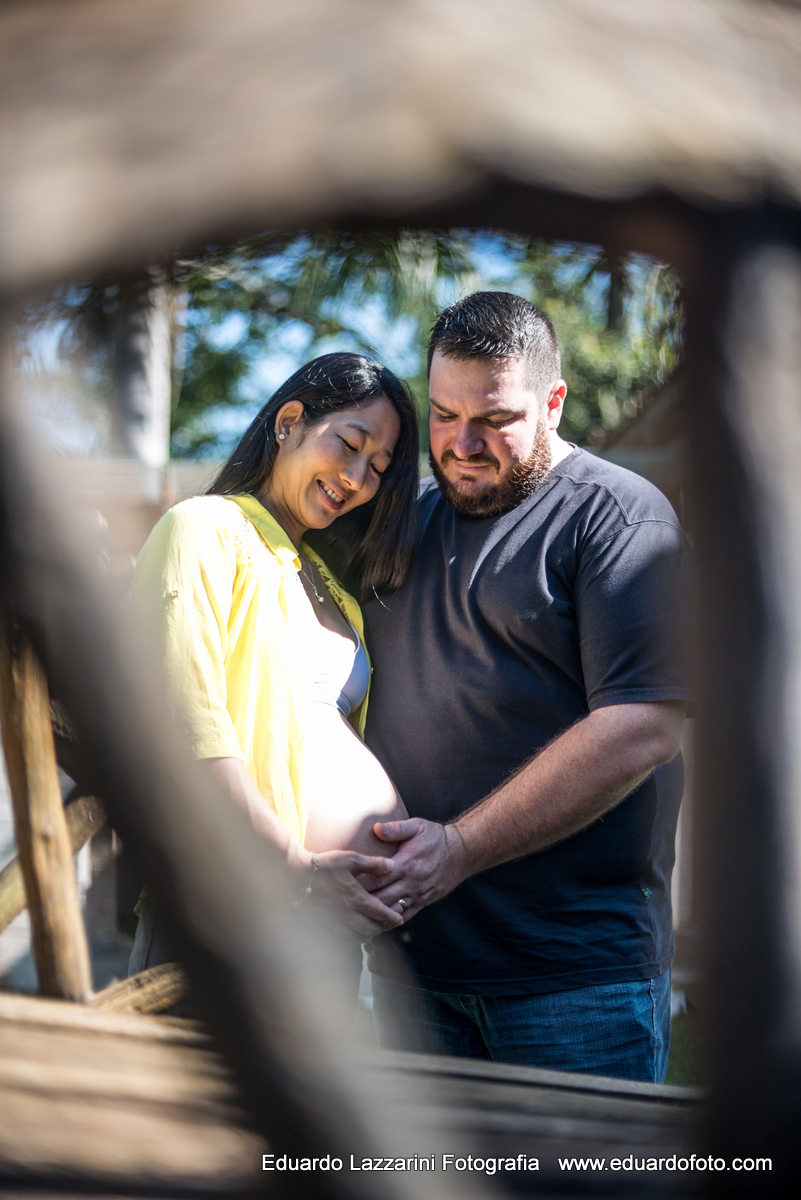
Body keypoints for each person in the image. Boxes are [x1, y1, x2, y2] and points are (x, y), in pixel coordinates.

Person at [361, 292, 691, 1083]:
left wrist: (459, 848)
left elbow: (643, 726)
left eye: (494, 419)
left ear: (552, 403)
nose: (462, 444)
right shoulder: (400, 521)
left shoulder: (617, 519)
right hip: (411, 969)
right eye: (443, 415)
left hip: (573, 980)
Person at [128, 352, 419, 977]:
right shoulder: (204, 528)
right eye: (350, 445)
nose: (357, 478)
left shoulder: (337, 592)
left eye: (377, 468)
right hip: (225, 914)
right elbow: (185, 726)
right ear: (289, 422)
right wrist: (299, 869)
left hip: (325, 934)